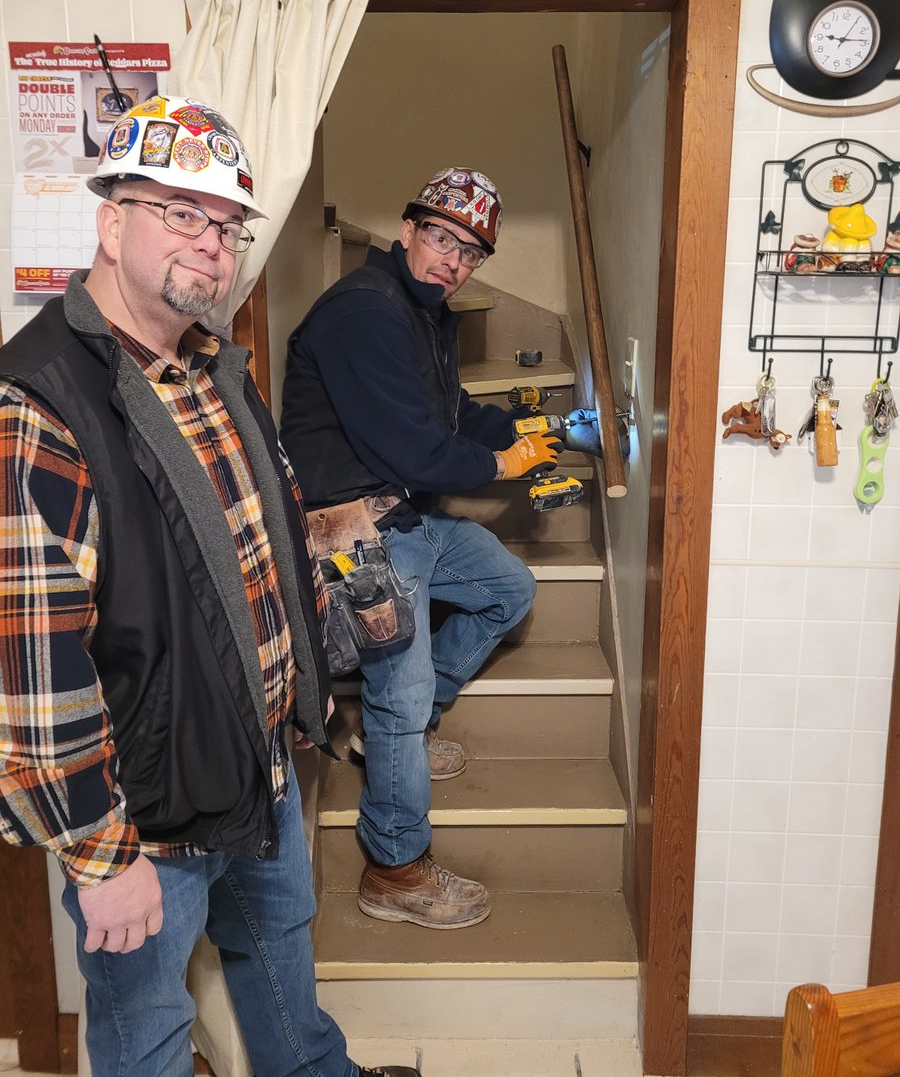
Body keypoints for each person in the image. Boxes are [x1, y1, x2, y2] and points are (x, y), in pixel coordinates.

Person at [0, 95, 418, 1077]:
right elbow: (30, 674)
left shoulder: (213, 368)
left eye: (227, 225)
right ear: (110, 223)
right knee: (146, 1028)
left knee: (280, 963)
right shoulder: (39, 402)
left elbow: (243, 549)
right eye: (182, 214)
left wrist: (332, 606)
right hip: (148, 812)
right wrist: (102, 861)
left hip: (255, 764)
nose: (214, 245)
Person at [280, 168, 583, 931]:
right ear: (409, 231)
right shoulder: (365, 312)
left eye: (470, 252)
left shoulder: (422, 314)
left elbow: (446, 412)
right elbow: (416, 446)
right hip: (351, 531)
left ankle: (403, 734)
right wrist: (497, 468)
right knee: (398, 691)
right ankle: (395, 868)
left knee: (506, 588)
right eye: (442, 238)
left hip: (401, 516)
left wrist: (521, 434)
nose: (452, 259)